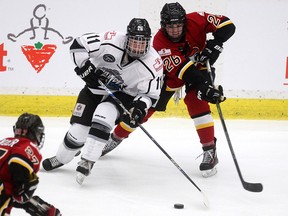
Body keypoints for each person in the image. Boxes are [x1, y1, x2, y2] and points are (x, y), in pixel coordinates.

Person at [101, 2, 236, 178]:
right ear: (163, 25)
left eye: (179, 25)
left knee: (197, 101)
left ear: (185, 23)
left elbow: (227, 25)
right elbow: (187, 73)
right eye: (170, 26)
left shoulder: (197, 19)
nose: (174, 30)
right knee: (145, 110)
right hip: (169, 77)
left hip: (200, 67)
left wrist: (215, 44)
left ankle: (210, 150)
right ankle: (116, 137)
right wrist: (206, 87)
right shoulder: (159, 42)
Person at [42, 18, 164, 184]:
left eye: (141, 43)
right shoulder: (112, 39)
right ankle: (61, 158)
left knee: (103, 115)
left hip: (124, 94)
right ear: (127, 38)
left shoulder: (153, 63)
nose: (137, 47)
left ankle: (88, 160)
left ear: (148, 42)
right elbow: (78, 44)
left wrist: (139, 108)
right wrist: (84, 67)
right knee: (78, 133)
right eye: (134, 42)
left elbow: (150, 95)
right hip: (94, 89)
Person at [0, 113, 61, 216]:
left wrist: (30, 204)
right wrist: (25, 187)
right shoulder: (29, 145)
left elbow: (9, 185)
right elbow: (17, 160)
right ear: (34, 133)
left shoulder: (5, 141)